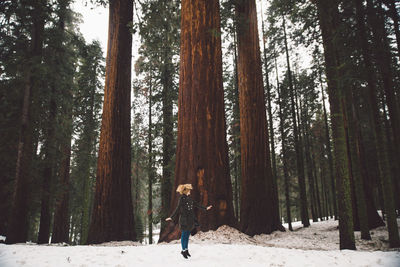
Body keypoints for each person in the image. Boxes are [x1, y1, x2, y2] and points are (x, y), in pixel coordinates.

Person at [165, 184, 212, 259]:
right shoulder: (181, 199)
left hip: (190, 220)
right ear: (186, 191)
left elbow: (197, 204)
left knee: (187, 236)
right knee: (184, 236)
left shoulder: (189, 199)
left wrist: (206, 208)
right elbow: (177, 208)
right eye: (189, 190)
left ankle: (186, 250)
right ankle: (183, 250)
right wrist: (171, 217)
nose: (190, 191)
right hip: (184, 220)